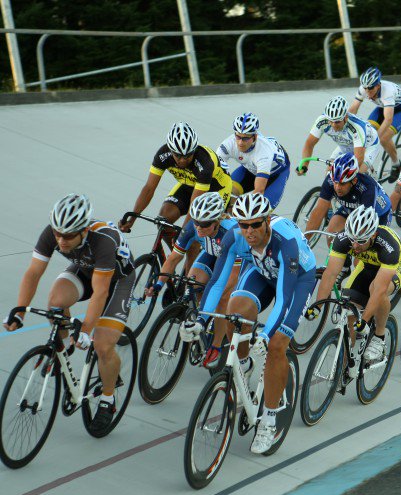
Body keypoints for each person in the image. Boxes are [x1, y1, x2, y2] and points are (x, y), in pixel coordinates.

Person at [180, 193, 316, 454]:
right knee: (233, 311)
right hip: (262, 270)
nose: (249, 231)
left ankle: (269, 418)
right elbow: (217, 282)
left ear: (266, 221)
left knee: (277, 345)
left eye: (255, 224)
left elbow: (284, 296)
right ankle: (243, 364)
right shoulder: (234, 237)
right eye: (244, 225)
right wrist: (201, 321)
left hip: (297, 280)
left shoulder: (284, 242)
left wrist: (265, 335)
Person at [4, 194, 135, 436]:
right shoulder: (52, 233)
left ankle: (108, 399)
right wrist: (20, 310)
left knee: (103, 346)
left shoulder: (104, 241)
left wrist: (86, 330)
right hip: (85, 268)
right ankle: (61, 349)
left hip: (117, 281)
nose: (61, 241)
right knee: (55, 301)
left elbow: (100, 292)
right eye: (57, 234)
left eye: (67, 236)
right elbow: (33, 273)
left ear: (84, 230)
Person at [144, 192, 238, 368]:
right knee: (192, 282)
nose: (199, 228)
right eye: (196, 221)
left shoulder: (231, 232)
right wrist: (158, 285)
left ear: (217, 221)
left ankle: (216, 345)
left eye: (204, 224)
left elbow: (228, 278)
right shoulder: (192, 228)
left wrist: (216, 295)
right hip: (211, 254)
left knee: (222, 296)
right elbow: (173, 259)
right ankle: (203, 315)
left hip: (234, 260)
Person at [309, 206, 401, 363]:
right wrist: (318, 306)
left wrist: (365, 319)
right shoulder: (343, 239)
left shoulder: (388, 246)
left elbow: (380, 289)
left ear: (373, 235)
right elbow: (330, 274)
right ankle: (345, 366)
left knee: (376, 289)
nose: (355, 245)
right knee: (349, 311)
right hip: (367, 264)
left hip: (396, 266)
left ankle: (379, 338)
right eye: (352, 239)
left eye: (361, 241)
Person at [119, 122, 232, 235]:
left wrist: (184, 236)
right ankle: (175, 252)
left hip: (216, 189)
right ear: (171, 150)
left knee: (197, 230)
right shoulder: (163, 155)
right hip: (190, 184)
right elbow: (149, 188)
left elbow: (195, 204)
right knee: (163, 221)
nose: (182, 160)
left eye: (188, 155)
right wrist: (132, 219)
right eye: (178, 155)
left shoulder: (205, 162)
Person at [304, 152, 392, 238]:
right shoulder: (330, 181)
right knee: (332, 232)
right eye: (336, 182)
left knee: (365, 245)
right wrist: (305, 241)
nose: (337, 187)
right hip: (352, 210)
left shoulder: (367, 188)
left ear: (353, 181)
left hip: (378, 215)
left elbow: (364, 225)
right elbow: (319, 211)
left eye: (342, 184)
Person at [216, 113, 290, 207]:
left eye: (245, 138)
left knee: (258, 210)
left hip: (276, 174)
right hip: (251, 169)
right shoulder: (228, 145)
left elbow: (259, 191)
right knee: (228, 196)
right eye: (238, 137)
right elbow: (214, 172)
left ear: (255, 137)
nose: (240, 142)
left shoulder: (264, 153)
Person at [349, 67, 401, 177]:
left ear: (378, 85)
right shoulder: (365, 87)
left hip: (400, 111)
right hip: (382, 107)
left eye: (370, 88)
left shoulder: (388, 92)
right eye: (365, 88)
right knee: (366, 132)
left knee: (383, 138)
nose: (367, 91)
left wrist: (375, 139)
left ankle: (396, 164)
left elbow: (388, 120)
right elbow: (353, 109)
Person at [300, 96, 381, 176]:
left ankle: (373, 185)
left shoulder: (357, 128)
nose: (333, 125)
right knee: (329, 174)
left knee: (355, 175)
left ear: (346, 117)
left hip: (369, 145)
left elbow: (358, 159)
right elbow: (309, 144)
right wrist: (305, 165)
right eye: (331, 121)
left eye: (337, 122)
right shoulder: (322, 121)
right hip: (346, 145)